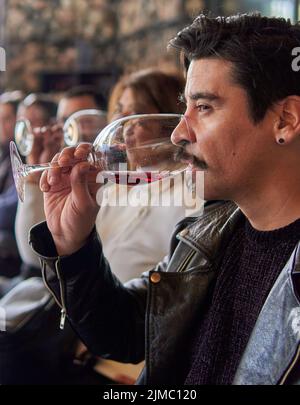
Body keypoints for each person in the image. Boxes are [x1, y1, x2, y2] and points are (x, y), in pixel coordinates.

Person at [29, 13, 300, 385]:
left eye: (204, 107)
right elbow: (125, 333)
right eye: (185, 107)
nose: (177, 133)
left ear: (285, 120)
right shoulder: (208, 233)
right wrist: (72, 244)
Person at [0, 91, 23, 278]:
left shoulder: (22, 156)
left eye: (7, 118)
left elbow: (10, 210)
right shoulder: (4, 155)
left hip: (14, 241)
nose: (1, 125)